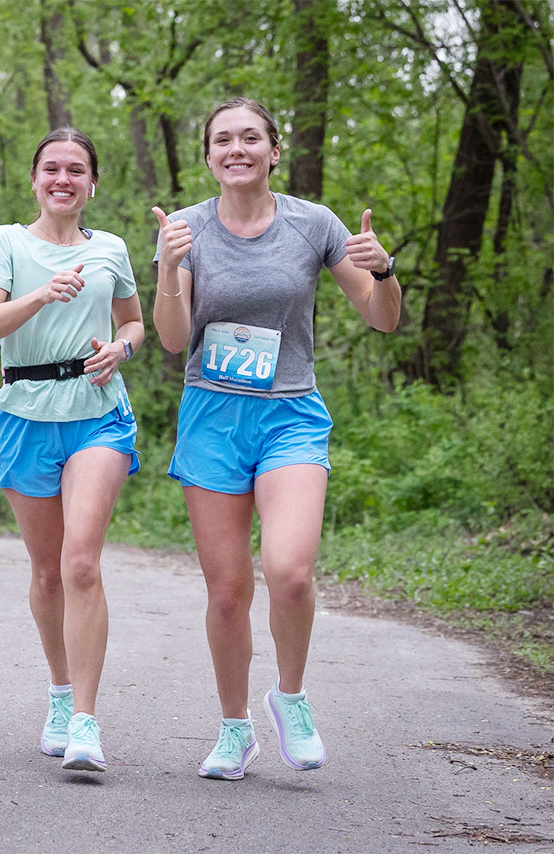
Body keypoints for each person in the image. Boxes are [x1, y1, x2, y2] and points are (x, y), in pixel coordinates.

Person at [152, 97, 401, 780]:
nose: (237, 148)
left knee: (288, 573)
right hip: (213, 414)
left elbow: (382, 319)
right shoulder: (184, 229)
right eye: (223, 140)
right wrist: (168, 268)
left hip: (290, 413)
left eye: (250, 138)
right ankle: (235, 730)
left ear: (273, 149)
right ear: (208, 155)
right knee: (228, 590)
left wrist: (383, 269)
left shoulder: (313, 223)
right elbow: (174, 340)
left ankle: (289, 697)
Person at [0, 128, 144, 773]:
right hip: (25, 415)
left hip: (98, 413)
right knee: (46, 572)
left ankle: (88, 724)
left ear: (93, 183)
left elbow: (133, 321)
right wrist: (42, 292)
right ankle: (61, 694)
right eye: (51, 169)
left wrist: (121, 347)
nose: (63, 179)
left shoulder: (113, 249)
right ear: (35, 180)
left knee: (81, 564)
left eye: (76, 170)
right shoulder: (5, 243)